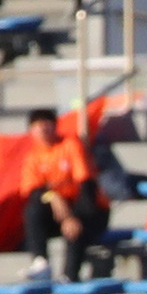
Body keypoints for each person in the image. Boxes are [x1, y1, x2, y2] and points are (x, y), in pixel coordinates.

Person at [19, 107, 106, 282]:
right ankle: (41, 262)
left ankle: (70, 275)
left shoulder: (70, 146)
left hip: (89, 209)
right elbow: (34, 191)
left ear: (55, 126)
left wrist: (72, 217)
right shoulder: (33, 157)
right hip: (61, 211)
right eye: (37, 127)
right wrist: (54, 197)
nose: (43, 131)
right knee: (34, 211)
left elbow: (86, 186)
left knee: (75, 227)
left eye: (47, 126)